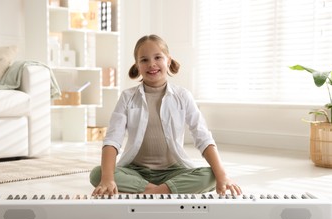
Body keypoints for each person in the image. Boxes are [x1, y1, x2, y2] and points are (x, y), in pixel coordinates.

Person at [90, 34, 242, 196]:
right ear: (137, 65)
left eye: (157, 57)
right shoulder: (127, 97)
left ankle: (151, 190)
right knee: (98, 174)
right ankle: (160, 190)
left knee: (212, 176)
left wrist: (223, 176)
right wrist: (107, 179)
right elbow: (113, 140)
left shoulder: (183, 96)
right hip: (135, 170)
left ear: (168, 60)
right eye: (144, 60)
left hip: (173, 170)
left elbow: (203, 137)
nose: (152, 64)